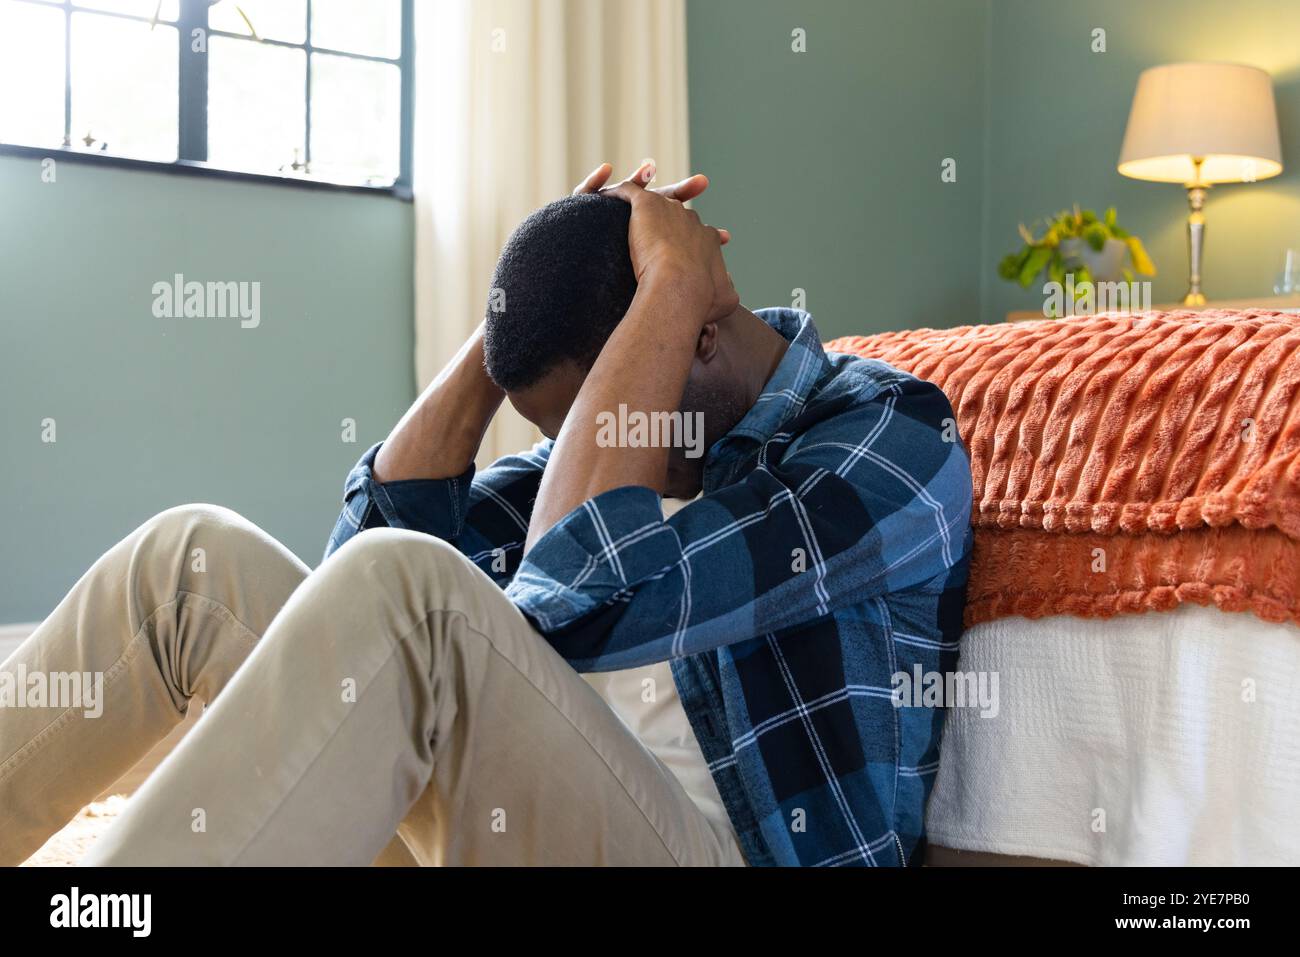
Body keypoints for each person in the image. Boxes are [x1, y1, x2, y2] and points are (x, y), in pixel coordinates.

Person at [0, 162, 972, 867]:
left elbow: (580, 588)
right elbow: (355, 571)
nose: (570, 442)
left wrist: (672, 283)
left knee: (418, 593)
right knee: (191, 562)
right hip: (509, 831)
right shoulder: (613, 438)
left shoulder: (883, 435)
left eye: (593, 411)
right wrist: (507, 315)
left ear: (697, 338)